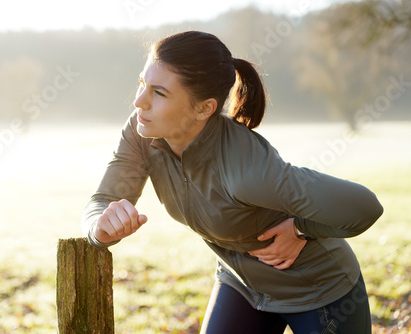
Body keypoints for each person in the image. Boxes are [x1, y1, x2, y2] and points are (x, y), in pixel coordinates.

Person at [81, 31, 383, 333]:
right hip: (241, 284)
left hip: (319, 290)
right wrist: (100, 228)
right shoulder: (142, 131)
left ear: (204, 108)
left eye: (158, 93)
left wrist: (301, 228)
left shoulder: (248, 171)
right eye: (142, 84)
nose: (139, 102)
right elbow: (102, 201)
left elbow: (364, 207)